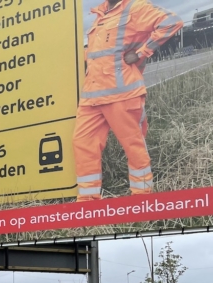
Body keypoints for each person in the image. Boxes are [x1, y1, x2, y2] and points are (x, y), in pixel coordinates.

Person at [72, 0, 182, 202]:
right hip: (92, 97)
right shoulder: (100, 14)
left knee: (133, 145)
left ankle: (142, 198)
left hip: (123, 94)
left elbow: (171, 21)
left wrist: (142, 52)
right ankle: (87, 203)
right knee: (82, 144)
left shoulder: (136, 7)